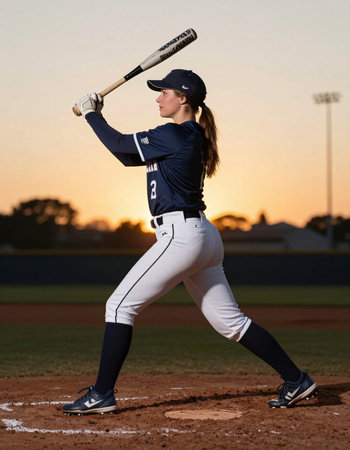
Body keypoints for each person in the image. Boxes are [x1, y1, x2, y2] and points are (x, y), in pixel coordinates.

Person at [63, 69, 317, 415]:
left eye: (163, 92)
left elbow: (120, 145)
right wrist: (96, 115)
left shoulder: (177, 134)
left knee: (119, 306)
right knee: (231, 322)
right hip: (200, 236)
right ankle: (296, 380)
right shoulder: (186, 134)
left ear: (183, 98)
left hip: (181, 236)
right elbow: (126, 155)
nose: (157, 98)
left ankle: (102, 394)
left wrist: (93, 114)